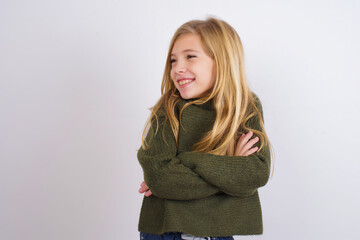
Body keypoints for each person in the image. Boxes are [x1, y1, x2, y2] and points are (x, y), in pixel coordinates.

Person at [136, 16, 274, 240]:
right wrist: (229, 170)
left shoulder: (244, 106)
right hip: (165, 231)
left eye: (190, 57)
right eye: (173, 60)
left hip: (218, 232)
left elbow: (255, 174)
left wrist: (187, 161)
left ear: (222, 61)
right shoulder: (169, 108)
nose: (178, 68)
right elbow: (160, 177)